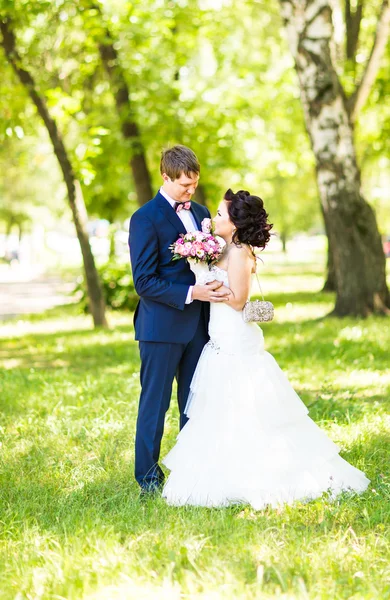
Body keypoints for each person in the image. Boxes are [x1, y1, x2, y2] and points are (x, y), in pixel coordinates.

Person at [162, 189, 369, 509]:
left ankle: (268, 474)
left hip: (235, 339)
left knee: (247, 407)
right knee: (220, 409)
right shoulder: (224, 248)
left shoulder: (240, 252)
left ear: (235, 222)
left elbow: (240, 300)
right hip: (220, 339)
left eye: (219, 214)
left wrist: (208, 285)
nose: (213, 218)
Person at [129, 145, 231, 495]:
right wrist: (192, 293)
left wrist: (216, 282)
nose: (191, 192)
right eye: (184, 185)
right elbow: (143, 281)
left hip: (200, 327)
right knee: (155, 405)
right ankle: (148, 478)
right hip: (160, 327)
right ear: (165, 176)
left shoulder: (201, 211)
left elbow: (210, 262)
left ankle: (191, 473)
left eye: (194, 185)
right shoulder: (145, 218)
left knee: (194, 402)